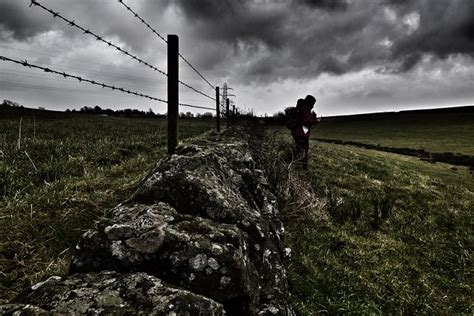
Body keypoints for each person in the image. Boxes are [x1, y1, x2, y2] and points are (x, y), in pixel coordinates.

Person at [291, 95, 320, 169]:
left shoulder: (300, 109)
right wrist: (316, 121)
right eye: (313, 104)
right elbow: (306, 121)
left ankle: (296, 165)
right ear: (310, 103)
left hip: (296, 132)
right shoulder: (306, 109)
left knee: (299, 149)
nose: (313, 106)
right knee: (304, 150)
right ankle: (302, 167)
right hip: (302, 134)